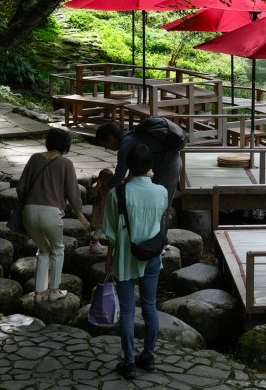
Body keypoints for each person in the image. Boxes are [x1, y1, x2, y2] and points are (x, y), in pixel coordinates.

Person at [103, 143, 168, 381]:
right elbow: (159, 220)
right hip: (151, 255)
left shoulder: (116, 193)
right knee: (150, 306)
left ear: (128, 166)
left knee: (129, 311)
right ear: (151, 166)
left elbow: (110, 234)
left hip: (125, 258)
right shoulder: (161, 192)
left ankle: (129, 362)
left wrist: (109, 259)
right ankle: (148, 356)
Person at [19, 127, 90, 301]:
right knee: (57, 250)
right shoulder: (65, 164)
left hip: (28, 211)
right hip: (50, 213)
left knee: (43, 249)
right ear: (66, 145)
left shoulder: (34, 158)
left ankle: (39, 292)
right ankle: (53, 290)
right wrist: (80, 213)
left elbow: (20, 187)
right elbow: (73, 193)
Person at [95, 121, 182, 236]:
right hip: (170, 163)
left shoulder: (125, 145)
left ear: (110, 138)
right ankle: (155, 239)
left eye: (104, 145)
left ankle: (160, 242)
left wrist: (108, 189)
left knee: (161, 207)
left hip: (168, 166)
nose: (106, 148)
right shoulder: (131, 137)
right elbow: (133, 165)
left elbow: (120, 173)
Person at [88, 168, 114, 254]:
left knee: (101, 228)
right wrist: (97, 187)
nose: (110, 181)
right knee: (99, 228)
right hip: (99, 212)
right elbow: (93, 195)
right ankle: (94, 244)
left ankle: (96, 242)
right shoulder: (98, 188)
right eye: (108, 179)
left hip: (105, 212)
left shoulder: (110, 188)